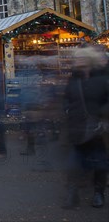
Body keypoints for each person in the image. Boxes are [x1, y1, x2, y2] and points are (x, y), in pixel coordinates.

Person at [62, 45, 109, 209]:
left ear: (89, 59)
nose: (78, 60)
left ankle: (98, 193)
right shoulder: (73, 80)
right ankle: (72, 195)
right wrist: (67, 109)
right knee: (73, 163)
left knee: (100, 163)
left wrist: (101, 114)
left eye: (82, 57)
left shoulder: (101, 79)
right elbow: (67, 98)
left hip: (97, 129)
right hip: (76, 127)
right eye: (77, 58)